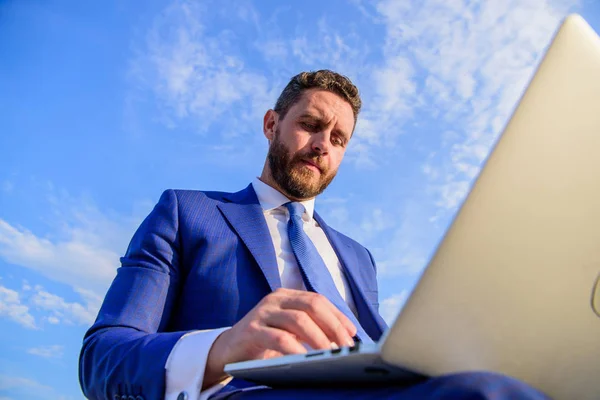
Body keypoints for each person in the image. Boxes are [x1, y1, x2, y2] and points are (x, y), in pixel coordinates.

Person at [78, 70, 549, 400]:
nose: (324, 145)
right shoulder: (188, 212)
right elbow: (101, 357)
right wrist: (222, 348)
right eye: (310, 125)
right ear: (271, 124)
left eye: (339, 139)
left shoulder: (359, 257)